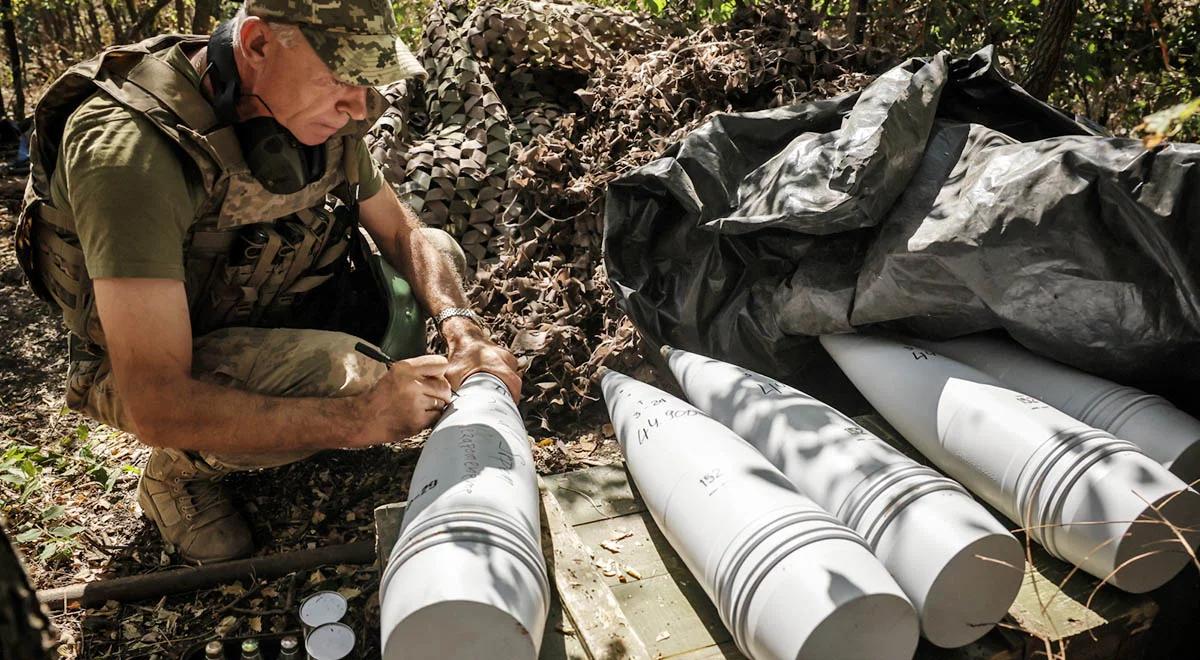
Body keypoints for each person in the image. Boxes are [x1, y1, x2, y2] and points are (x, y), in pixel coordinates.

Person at [13, 0, 521, 563]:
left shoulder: (320, 107)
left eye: (370, 81)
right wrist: (361, 418)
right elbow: (155, 398)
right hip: (152, 364)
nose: (360, 107)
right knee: (351, 383)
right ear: (256, 44)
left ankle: (296, 400)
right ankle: (175, 475)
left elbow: (406, 237)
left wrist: (462, 328)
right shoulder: (132, 151)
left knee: (440, 256)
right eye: (341, 78)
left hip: (266, 296)